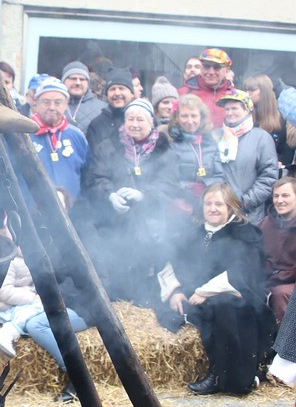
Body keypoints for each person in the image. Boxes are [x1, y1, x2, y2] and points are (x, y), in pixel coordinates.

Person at [158, 183, 275, 396]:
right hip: (198, 298)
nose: (212, 208)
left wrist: (204, 292)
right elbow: (173, 264)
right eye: (208, 203)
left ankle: (220, 375)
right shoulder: (196, 233)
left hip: (238, 297)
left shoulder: (245, 233)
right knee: (171, 310)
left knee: (225, 308)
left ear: (230, 208)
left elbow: (240, 273)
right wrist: (176, 290)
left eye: (219, 204)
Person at [82, 98, 180, 305]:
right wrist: (110, 195)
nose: (134, 124)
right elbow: (94, 177)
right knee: (114, 263)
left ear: (151, 122)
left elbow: (169, 185)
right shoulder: (107, 146)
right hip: (114, 220)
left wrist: (144, 194)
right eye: (130, 119)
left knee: (143, 270)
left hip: (149, 224)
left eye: (140, 119)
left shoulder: (164, 150)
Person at [0, 249, 91, 402]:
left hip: (80, 310)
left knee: (35, 325)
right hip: (52, 306)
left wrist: (49, 297)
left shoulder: (81, 257)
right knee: (33, 323)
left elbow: (74, 290)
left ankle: (75, 376)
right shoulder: (39, 257)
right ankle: (11, 330)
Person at [215, 89, 278, 224]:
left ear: (247, 110)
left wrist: (242, 203)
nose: (230, 113)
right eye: (227, 109)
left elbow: (268, 177)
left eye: (234, 108)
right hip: (218, 213)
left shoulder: (261, 138)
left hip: (250, 216)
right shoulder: (216, 136)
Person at [29, 77, 90, 201]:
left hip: (72, 213)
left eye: (58, 103)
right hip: (32, 213)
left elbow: (87, 176)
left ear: (66, 104)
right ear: (36, 102)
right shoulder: (25, 134)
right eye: (46, 102)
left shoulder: (77, 136)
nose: (52, 107)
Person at [163, 93, 223, 214]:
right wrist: (189, 190)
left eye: (194, 116)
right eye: (184, 116)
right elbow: (168, 179)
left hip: (207, 205)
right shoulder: (171, 144)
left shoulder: (211, 143)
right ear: (177, 118)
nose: (190, 121)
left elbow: (220, 176)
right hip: (180, 207)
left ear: (201, 118)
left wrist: (205, 187)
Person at [260, 177, 296, 324]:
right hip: (267, 280)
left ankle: (285, 346)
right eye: (276, 196)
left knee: (281, 294)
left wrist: (279, 277)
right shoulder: (264, 224)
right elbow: (255, 258)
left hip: (289, 283)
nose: (279, 200)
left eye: (285, 195)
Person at [244, 73, 296, 168]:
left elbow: (287, 152)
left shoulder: (284, 117)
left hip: (273, 172)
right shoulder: (244, 116)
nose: (247, 94)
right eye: (246, 90)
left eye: (252, 90)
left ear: (265, 91)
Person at [178, 48, 233, 128]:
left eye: (217, 67)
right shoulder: (183, 93)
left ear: (227, 70)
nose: (211, 72)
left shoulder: (234, 95)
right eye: (206, 67)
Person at [85, 68, 135, 149]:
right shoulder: (96, 125)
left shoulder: (144, 120)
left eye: (121, 88)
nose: (117, 93)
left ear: (132, 93)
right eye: (112, 89)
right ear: (107, 94)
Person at [61, 61, 105, 133]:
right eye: (73, 78)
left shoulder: (103, 109)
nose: (78, 83)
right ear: (63, 81)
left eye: (82, 79)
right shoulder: (52, 106)